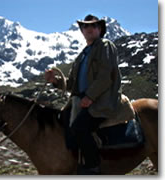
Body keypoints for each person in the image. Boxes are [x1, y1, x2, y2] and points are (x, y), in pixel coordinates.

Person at [45, 14, 122, 175]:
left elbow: (105, 75)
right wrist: (55, 81)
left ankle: (93, 167)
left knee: (80, 127)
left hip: (101, 101)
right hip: (83, 101)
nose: (89, 29)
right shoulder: (82, 55)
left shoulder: (105, 45)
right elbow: (72, 84)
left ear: (99, 29)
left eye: (93, 26)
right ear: (81, 31)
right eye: (85, 26)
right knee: (61, 121)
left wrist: (90, 96)